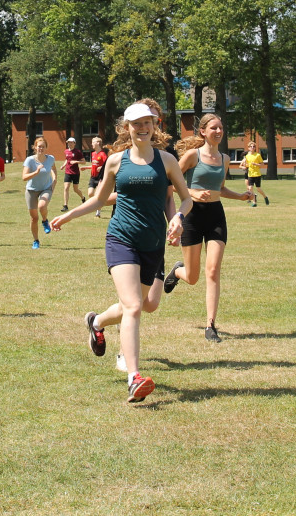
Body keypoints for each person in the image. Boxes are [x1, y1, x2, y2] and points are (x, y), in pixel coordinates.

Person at [51, 100, 194, 403]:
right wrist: (69, 214)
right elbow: (99, 199)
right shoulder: (117, 161)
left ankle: (97, 322)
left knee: (137, 304)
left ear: (154, 126)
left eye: (147, 123)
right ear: (126, 128)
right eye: (136, 124)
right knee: (133, 307)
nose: (142, 128)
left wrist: (178, 218)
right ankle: (134, 377)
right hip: (121, 239)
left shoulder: (167, 160)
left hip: (153, 244)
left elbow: (184, 199)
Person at [163, 113, 251, 343]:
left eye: (221, 128)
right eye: (214, 128)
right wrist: (192, 193)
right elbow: (171, 183)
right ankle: (177, 272)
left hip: (215, 216)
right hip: (192, 216)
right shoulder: (193, 156)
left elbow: (219, 189)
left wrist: (240, 196)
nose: (219, 131)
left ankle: (211, 325)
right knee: (192, 277)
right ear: (203, 131)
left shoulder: (224, 159)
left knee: (213, 271)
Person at [22, 136, 56, 249]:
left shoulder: (50, 158)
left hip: (46, 188)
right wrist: (36, 172)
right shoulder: (30, 160)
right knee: (34, 218)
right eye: (39, 146)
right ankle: (36, 240)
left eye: (43, 146)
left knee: (42, 206)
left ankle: (45, 220)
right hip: (31, 190)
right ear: (35, 147)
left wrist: (54, 179)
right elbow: (24, 177)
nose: (41, 148)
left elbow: (53, 169)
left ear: (46, 148)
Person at [60, 136, 86, 212]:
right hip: (68, 172)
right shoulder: (66, 151)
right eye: (69, 142)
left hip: (75, 173)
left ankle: (83, 197)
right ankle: (65, 206)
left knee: (75, 189)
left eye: (71, 142)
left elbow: (84, 162)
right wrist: (63, 165)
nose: (70, 144)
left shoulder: (78, 152)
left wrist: (76, 162)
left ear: (74, 143)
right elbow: (67, 160)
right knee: (66, 188)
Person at [87, 136, 109, 219]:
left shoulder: (103, 154)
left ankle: (98, 212)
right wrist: (85, 168)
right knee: (90, 193)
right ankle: (96, 204)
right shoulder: (93, 154)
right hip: (93, 177)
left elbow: (108, 164)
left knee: (98, 194)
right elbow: (94, 165)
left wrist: (102, 168)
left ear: (98, 143)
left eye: (93, 142)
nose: (91, 144)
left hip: (100, 177)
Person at [242, 141, 268, 207]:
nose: (252, 147)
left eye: (254, 146)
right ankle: (254, 202)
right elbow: (246, 166)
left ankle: (265, 197)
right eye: (251, 146)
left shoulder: (258, 155)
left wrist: (256, 164)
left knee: (258, 189)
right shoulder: (247, 156)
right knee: (250, 188)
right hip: (250, 174)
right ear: (248, 148)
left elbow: (262, 164)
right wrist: (245, 163)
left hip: (257, 174)